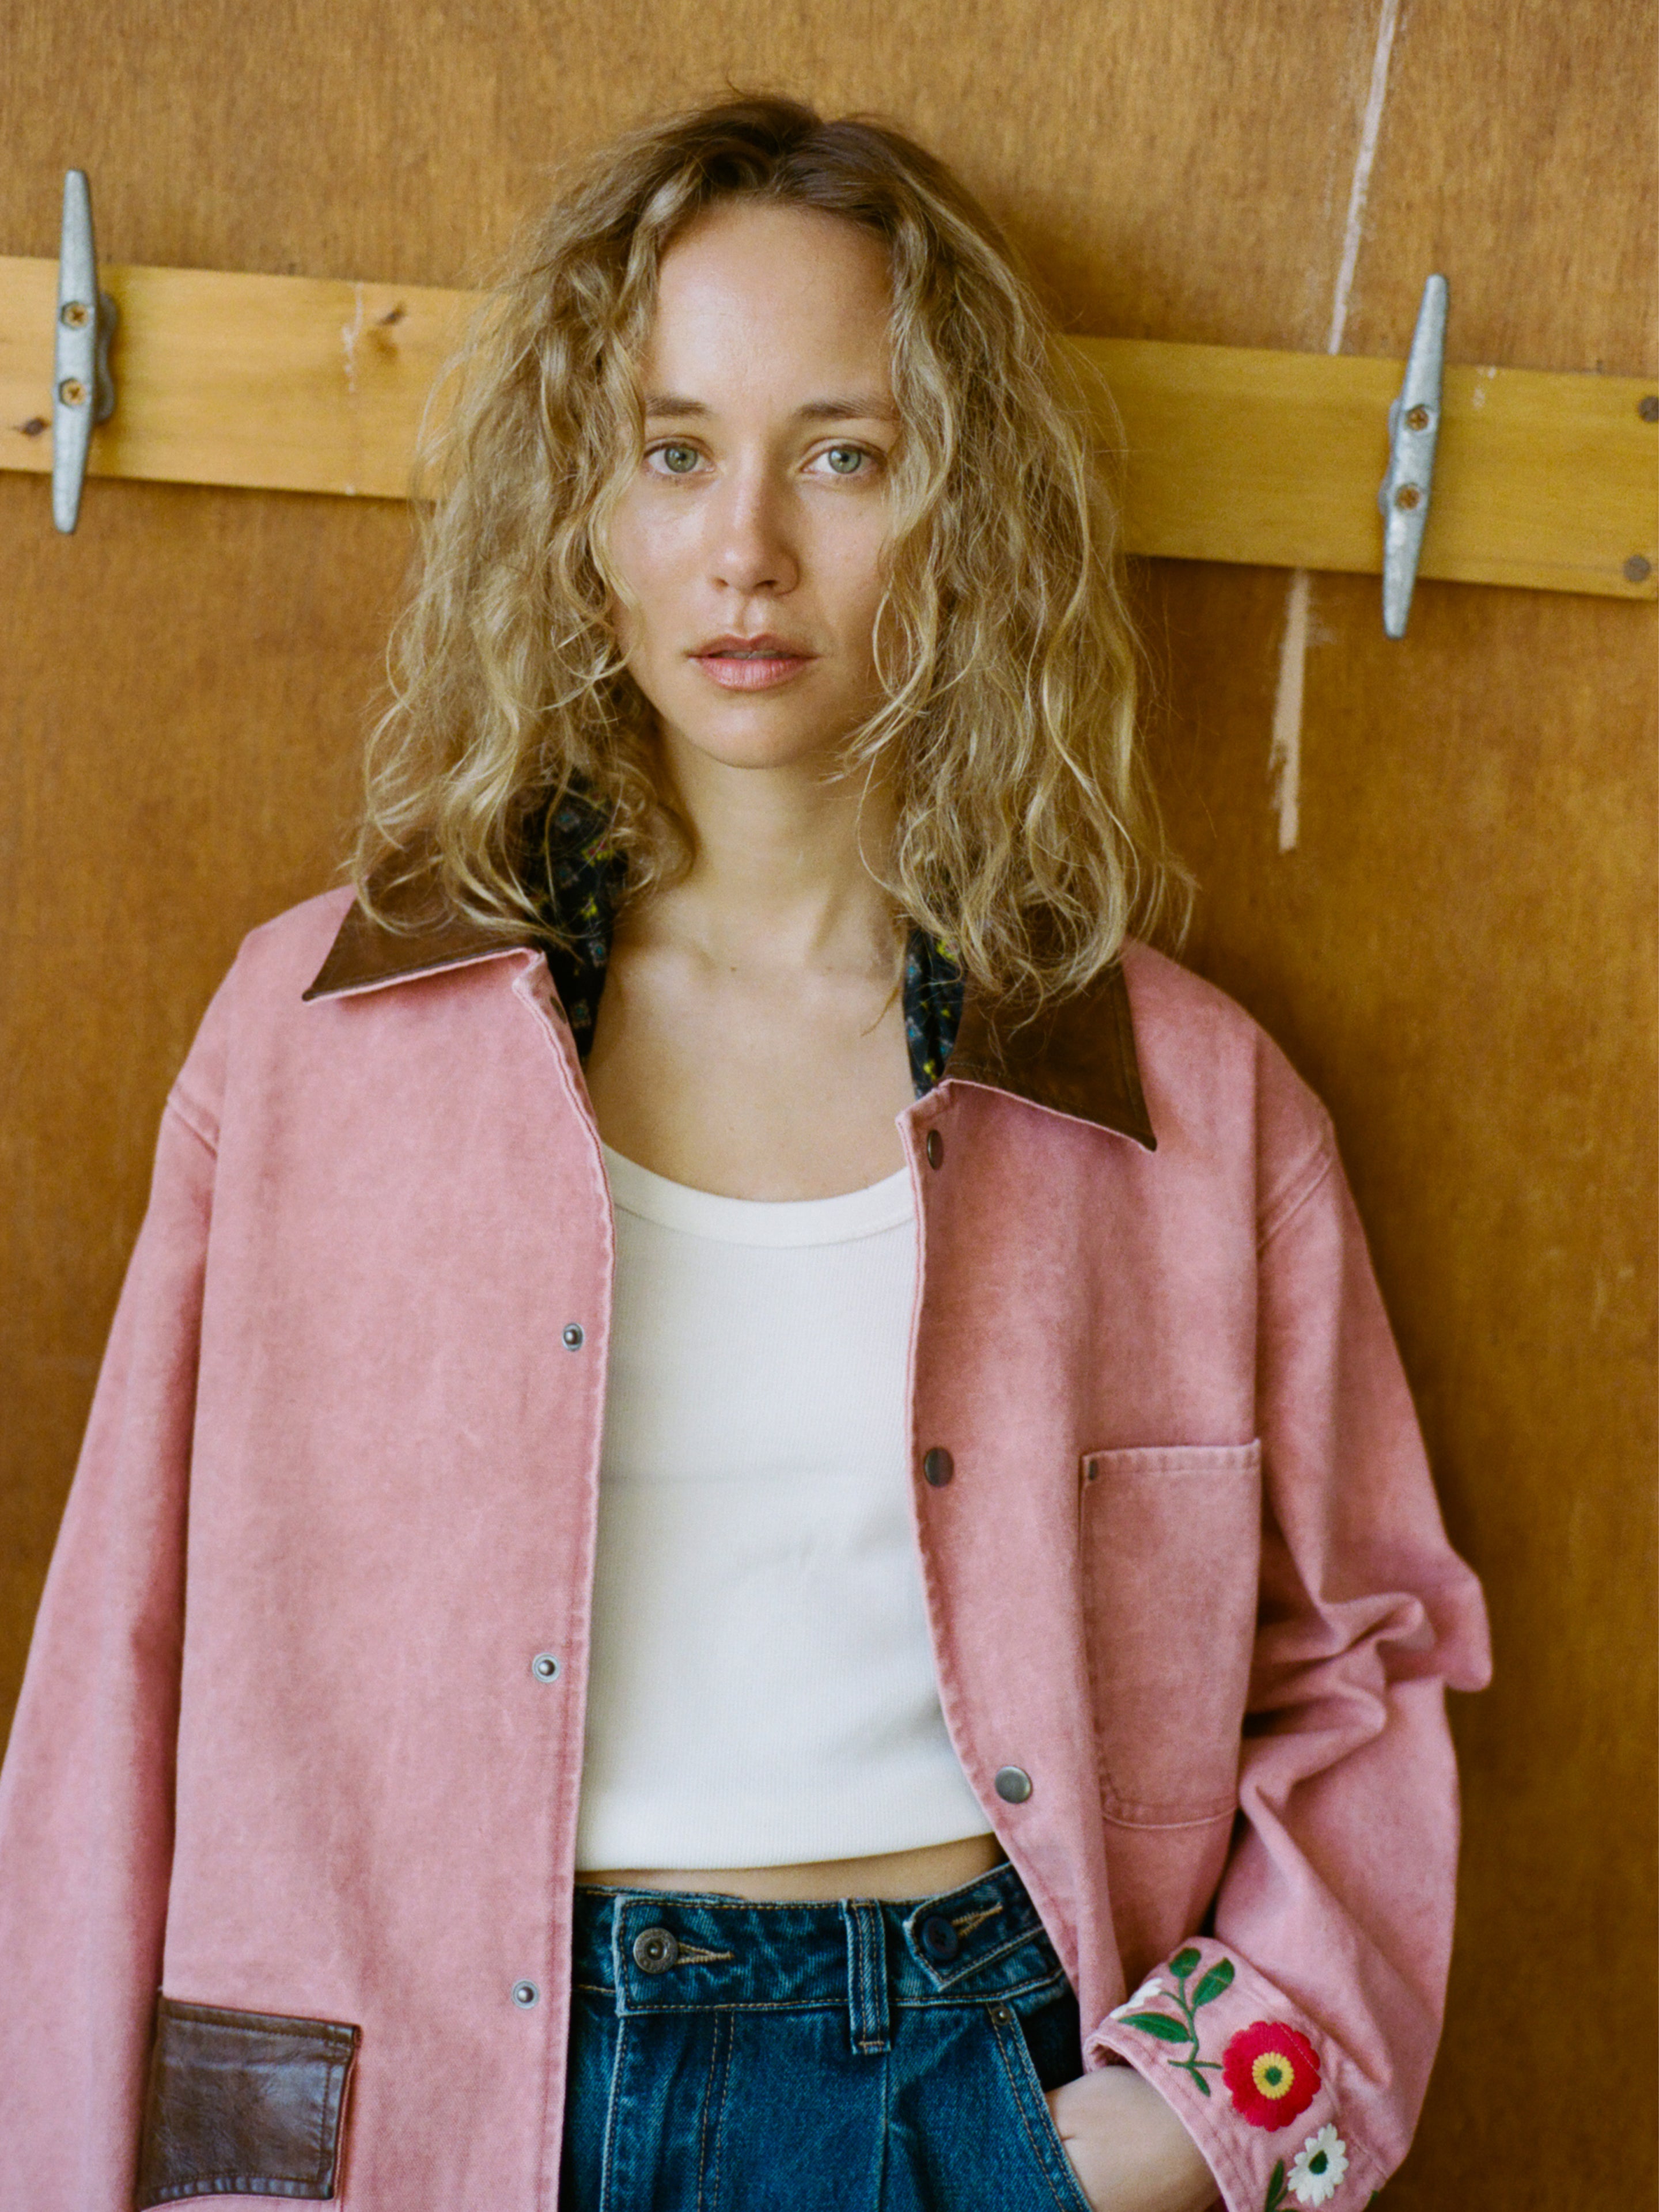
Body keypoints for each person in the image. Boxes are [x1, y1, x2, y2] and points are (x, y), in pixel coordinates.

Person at [0, 95, 1490, 2212]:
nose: (747, 550)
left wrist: (1188, 2115)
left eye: (847, 453)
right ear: (576, 503)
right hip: (431, 2103)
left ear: (960, 507)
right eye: (674, 447)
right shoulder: (321, 1035)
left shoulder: (1183, 1098)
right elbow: (109, 1675)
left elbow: (1371, 1653)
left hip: (973, 2092)